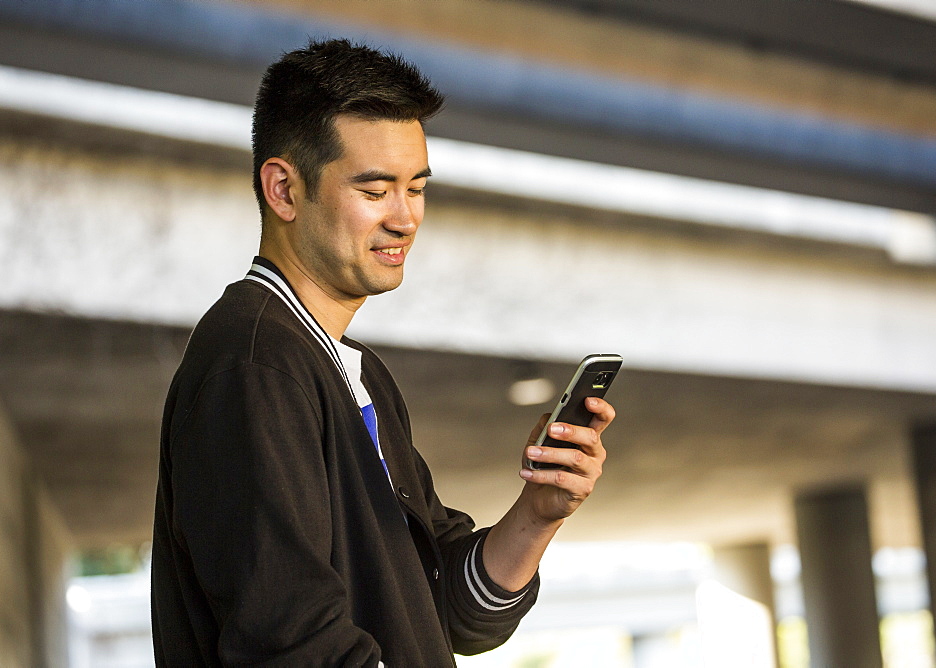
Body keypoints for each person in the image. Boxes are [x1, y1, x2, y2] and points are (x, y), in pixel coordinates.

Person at [151, 38, 615, 666]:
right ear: (283, 190)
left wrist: (539, 510)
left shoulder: (352, 372)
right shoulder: (254, 366)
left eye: (416, 188)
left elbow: (450, 612)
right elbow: (291, 645)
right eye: (375, 191)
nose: (406, 219)